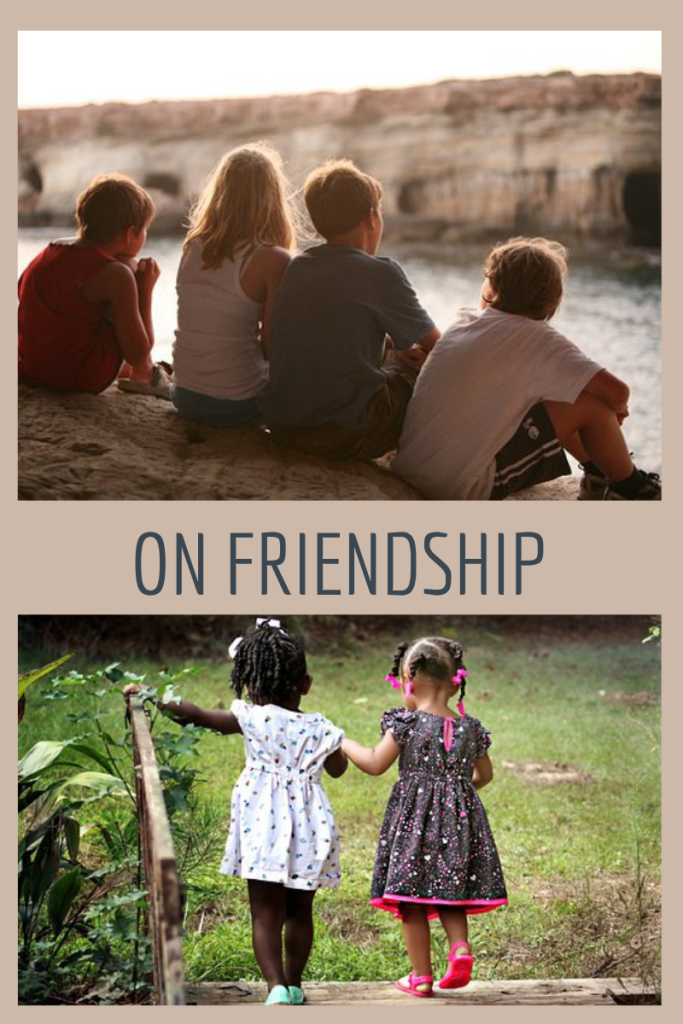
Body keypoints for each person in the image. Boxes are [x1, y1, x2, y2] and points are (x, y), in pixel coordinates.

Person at [124, 618, 347, 1006]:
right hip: (311, 831)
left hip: (263, 826)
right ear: (306, 684)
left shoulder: (250, 717)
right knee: (300, 913)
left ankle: (275, 987)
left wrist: (153, 695)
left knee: (264, 915)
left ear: (248, 683)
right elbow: (339, 768)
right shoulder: (320, 727)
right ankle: (295, 985)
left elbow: (195, 714)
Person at [392, 237, 662, 500]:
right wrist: (616, 409)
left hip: (412, 465)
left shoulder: (464, 321)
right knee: (591, 406)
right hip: (461, 488)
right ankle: (632, 486)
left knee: (558, 390)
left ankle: (598, 473)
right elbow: (618, 392)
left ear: (493, 286)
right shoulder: (541, 340)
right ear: (551, 298)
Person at [342, 636, 507, 998]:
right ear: (455, 682)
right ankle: (460, 948)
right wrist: (458, 797)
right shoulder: (472, 728)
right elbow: (485, 776)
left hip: (414, 828)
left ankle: (421, 976)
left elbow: (374, 763)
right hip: (459, 824)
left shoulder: (407, 724)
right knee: (452, 890)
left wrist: (341, 741)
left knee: (412, 899)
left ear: (409, 682)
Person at [261, 159, 441, 460]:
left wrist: (393, 352)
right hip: (343, 435)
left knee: (395, 365)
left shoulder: (298, 266)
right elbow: (442, 348)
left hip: (282, 426)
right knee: (417, 377)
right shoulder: (381, 274)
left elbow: (328, 333)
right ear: (372, 218)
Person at [171, 143, 297, 426]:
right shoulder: (272, 259)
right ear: (272, 198)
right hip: (239, 404)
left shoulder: (192, 245)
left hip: (184, 395)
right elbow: (272, 346)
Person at [18, 173, 168, 396]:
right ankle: (147, 376)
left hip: (30, 369)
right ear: (130, 233)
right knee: (128, 269)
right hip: (77, 377)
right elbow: (137, 354)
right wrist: (145, 290)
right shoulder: (117, 274)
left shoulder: (49, 251)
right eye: (145, 229)